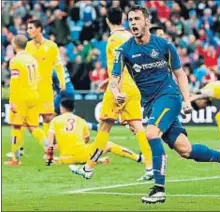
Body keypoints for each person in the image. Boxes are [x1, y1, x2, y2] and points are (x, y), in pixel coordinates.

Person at [109, 5, 220, 204]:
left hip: (169, 97)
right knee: (185, 150)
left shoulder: (164, 45)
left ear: (147, 21)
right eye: (131, 19)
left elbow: (180, 74)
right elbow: (114, 79)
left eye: (137, 19)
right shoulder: (124, 50)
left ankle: (158, 189)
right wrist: (116, 92)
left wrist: (187, 99)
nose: (133, 23)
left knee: (151, 133)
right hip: (150, 104)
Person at [69, 7, 153, 181]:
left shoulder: (114, 39)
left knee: (104, 127)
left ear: (107, 20)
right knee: (137, 126)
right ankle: (150, 166)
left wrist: (113, 87)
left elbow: (119, 62)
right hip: (133, 87)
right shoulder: (130, 36)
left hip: (119, 88)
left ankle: (88, 168)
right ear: (123, 19)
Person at [46, 98, 144, 166]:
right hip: (82, 155)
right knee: (107, 144)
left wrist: (49, 156)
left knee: (62, 147)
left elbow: (50, 145)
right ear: (73, 108)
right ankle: (139, 158)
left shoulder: (55, 120)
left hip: (65, 159)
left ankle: (95, 160)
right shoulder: (80, 120)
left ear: (61, 108)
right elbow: (86, 138)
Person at [5, 35, 49, 165]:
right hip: (34, 95)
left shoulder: (15, 61)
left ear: (14, 45)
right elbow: (38, 78)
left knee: (16, 126)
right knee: (33, 127)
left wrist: (12, 100)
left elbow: (14, 82)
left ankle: (15, 158)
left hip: (21, 97)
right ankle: (48, 149)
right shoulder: (33, 59)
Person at [26, 20, 65, 139]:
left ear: (39, 29)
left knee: (47, 117)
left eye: (30, 28)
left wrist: (62, 82)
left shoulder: (51, 46)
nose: (28, 31)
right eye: (28, 28)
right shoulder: (28, 46)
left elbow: (58, 66)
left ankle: (49, 148)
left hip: (46, 87)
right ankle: (19, 150)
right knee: (27, 121)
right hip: (31, 88)